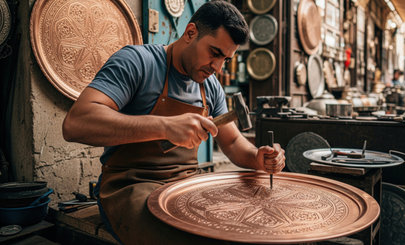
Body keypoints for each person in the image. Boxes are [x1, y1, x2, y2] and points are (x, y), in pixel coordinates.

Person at [62, 1, 285, 244]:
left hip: (185, 187)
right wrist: (164, 126)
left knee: (243, 225)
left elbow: (231, 142)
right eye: (215, 53)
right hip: (129, 187)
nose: (218, 68)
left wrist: (257, 158)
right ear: (191, 33)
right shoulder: (137, 62)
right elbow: (76, 123)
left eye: (226, 60)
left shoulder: (210, 86)